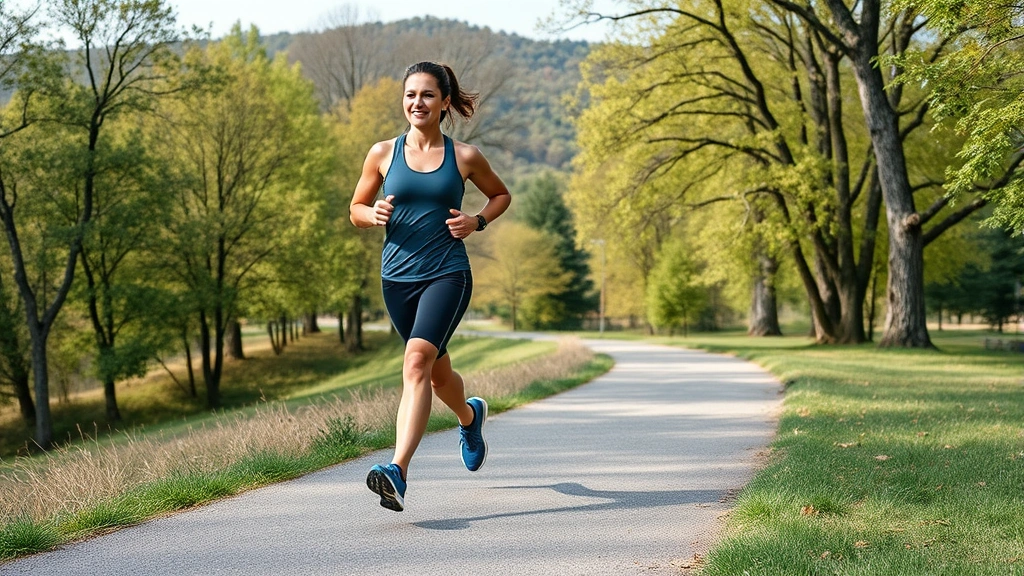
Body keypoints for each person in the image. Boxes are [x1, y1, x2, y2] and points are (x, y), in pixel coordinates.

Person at [349, 61, 511, 512]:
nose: (416, 103)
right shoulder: (382, 153)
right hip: (396, 278)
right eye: (410, 95)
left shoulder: (465, 157)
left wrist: (476, 221)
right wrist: (373, 213)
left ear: (443, 104)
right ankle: (469, 414)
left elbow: (501, 195)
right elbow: (356, 207)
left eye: (426, 95)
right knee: (438, 378)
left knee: (416, 361)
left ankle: (396, 471)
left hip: (447, 273)